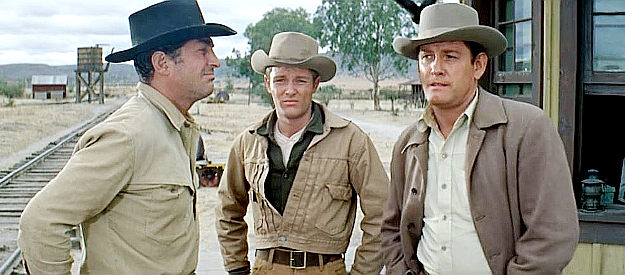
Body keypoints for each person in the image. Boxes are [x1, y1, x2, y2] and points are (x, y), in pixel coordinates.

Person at [17, 1, 235, 274]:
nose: (214, 61)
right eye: (203, 50)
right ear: (162, 63)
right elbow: (41, 222)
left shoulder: (174, 127)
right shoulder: (128, 134)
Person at [381, 3, 579, 275]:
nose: (435, 69)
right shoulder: (408, 142)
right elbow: (391, 228)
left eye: (450, 56)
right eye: (427, 57)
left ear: (478, 65)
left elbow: (553, 235)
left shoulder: (526, 129)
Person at [216, 32, 389, 275]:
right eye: (280, 80)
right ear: (267, 84)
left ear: (315, 84)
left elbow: (382, 214)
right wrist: (237, 268)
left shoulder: (351, 141)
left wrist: (362, 272)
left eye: (300, 81)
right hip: (265, 269)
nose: (290, 90)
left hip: (326, 269)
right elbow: (228, 209)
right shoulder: (248, 143)